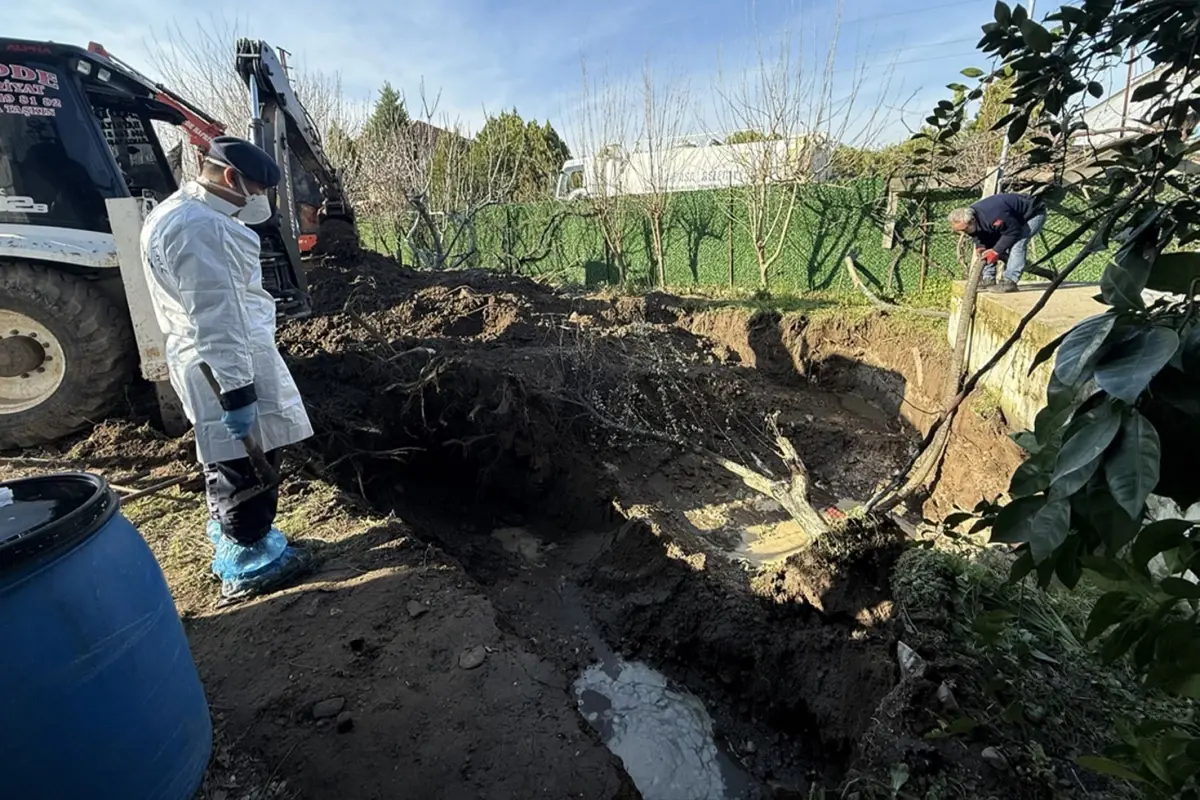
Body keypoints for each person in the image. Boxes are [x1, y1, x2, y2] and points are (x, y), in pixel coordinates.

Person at [140, 135, 314, 601]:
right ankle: (252, 562)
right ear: (232, 178)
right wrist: (238, 391)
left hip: (202, 360)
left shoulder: (174, 212)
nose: (258, 202)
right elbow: (220, 315)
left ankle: (236, 536)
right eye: (256, 191)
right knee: (246, 464)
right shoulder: (206, 230)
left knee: (225, 459)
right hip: (226, 366)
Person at [947, 192, 1047, 293]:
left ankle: (1010, 281)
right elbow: (978, 233)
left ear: (972, 220)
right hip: (1012, 219)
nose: (964, 233)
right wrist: (980, 246)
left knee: (1017, 244)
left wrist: (996, 251)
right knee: (987, 249)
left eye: (965, 230)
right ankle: (988, 279)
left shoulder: (993, 215)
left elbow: (1013, 232)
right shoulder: (972, 218)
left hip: (1033, 213)